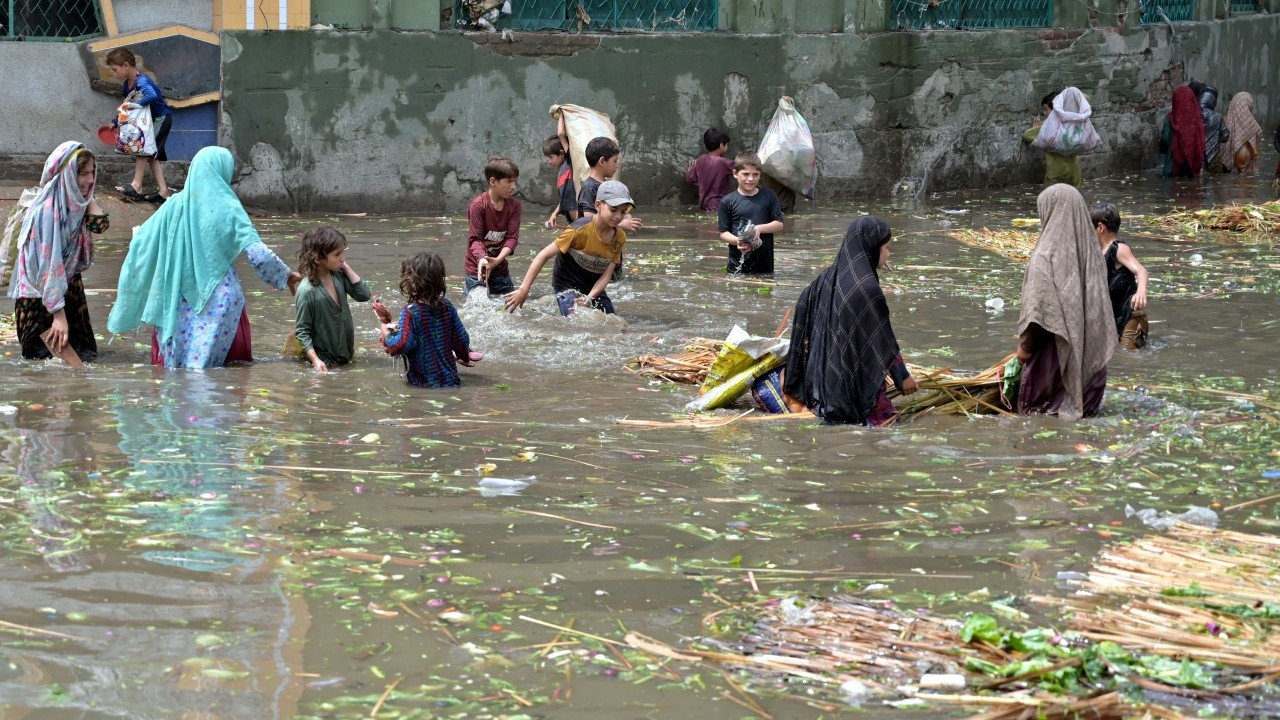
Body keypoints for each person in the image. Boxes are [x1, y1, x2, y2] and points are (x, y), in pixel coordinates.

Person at [108, 146, 302, 369]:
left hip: (174, 301)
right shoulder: (228, 207)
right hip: (219, 302)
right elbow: (258, 254)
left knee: (176, 379)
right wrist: (285, 276)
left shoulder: (173, 205)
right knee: (222, 379)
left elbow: (140, 241)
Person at [781, 216, 918, 425]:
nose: (888, 254)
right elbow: (881, 339)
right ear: (871, 248)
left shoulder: (827, 278)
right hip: (852, 387)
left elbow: (803, 306)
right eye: (887, 248)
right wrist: (902, 377)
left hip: (824, 386)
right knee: (887, 428)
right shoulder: (867, 288)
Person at [1008, 184, 1114, 420]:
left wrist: (1024, 349)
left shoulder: (1045, 258)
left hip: (1052, 376)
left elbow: (1038, 313)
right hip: (1090, 380)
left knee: (1038, 428)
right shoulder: (1093, 256)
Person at [7, 141, 108, 364]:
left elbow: (100, 226)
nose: (90, 180)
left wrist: (88, 199)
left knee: (85, 356)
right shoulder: (46, 211)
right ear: (67, 175)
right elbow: (47, 265)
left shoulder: (75, 204)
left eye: (92, 173)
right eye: (82, 174)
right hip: (39, 297)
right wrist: (58, 315)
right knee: (38, 363)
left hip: (68, 287)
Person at [505, 180, 633, 316]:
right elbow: (543, 255)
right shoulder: (577, 230)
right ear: (598, 205)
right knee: (574, 321)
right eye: (613, 210)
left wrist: (589, 298)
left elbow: (607, 275)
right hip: (567, 284)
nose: (618, 216)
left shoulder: (620, 237)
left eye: (623, 212)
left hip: (593, 285)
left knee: (613, 323)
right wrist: (524, 289)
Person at [379, 252, 473, 388]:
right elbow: (462, 339)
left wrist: (386, 331)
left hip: (422, 384)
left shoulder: (411, 311)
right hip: (451, 381)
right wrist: (464, 356)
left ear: (409, 282)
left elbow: (400, 345)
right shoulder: (447, 307)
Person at [294, 225, 371, 372]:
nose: (342, 258)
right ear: (318, 258)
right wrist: (315, 360)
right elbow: (302, 331)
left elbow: (364, 295)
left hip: (346, 355)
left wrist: (345, 267)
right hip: (325, 361)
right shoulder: (307, 291)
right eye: (337, 255)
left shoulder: (338, 276)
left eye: (343, 253)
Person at [101, 47, 173, 203]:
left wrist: (135, 105)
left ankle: (136, 186)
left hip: (160, 119)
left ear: (126, 65)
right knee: (150, 156)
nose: (115, 74)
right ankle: (164, 192)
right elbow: (127, 105)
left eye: (115, 70)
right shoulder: (127, 85)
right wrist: (115, 122)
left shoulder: (142, 81)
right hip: (148, 123)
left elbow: (152, 95)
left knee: (142, 149)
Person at [1091, 203, 1149, 351]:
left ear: (1100, 228)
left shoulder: (1119, 249)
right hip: (1116, 317)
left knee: (1129, 359)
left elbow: (1141, 271)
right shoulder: (1100, 252)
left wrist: (1141, 292)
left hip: (1131, 316)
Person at [717, 153, 785, 274]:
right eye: (745, 174)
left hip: (765, 265)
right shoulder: (727, 201)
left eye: (755, 175)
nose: (750, 179)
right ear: (735, 173)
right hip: (736, 266)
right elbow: (723, 233)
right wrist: (737, 241)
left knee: (765, 291)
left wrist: (758, 228)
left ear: (760, 175)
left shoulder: (769, 195)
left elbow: (779, 224)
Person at [464, 155, 521, 297]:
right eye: (509, 181)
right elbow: (475, 239)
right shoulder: (478, 205)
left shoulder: (514, 206)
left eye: (514, 181)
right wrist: (483, 258)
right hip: (477, 269)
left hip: (500, 269)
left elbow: (512, 238)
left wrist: (497, 261)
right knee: (480, 308)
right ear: (493, 181)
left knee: (511, 307)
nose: (513, 186)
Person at [1022, 91, 1082, 187]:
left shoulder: (1047, 127)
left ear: (1055, 110)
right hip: (1074, 173)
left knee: (1052, 199)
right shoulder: (1071, 122)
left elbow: (1027, 135)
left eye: (1046, 109)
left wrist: (1035, 127)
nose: (1044, 112)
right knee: (1073, 199)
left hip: (1057, 174)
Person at [1159, 86, 1205, 178]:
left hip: (1171, 169)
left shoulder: (1169, 119)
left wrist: (1160, 144)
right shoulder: (1196, 119)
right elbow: (1200, 142)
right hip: (1191, 169)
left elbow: (1165, 139)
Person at [686, 128, 734, 213]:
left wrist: (690, 171)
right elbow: (742, 168)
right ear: (721, 145)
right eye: (726, 144)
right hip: (718, 204)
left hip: (703, 204)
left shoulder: (701, 159)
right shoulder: (723, 162)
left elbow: (690, 179)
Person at [542, 114, 577, 229]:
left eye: (551, 157)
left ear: (562, 153)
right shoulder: (562, 171)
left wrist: (562, 114)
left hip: (578, 216)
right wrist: (554, 214)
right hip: (573, 219)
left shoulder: (570, 163)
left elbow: (561, 134)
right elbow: (564, 199)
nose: (549, 161)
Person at [1187, 82, 1229, 173]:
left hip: (1196, 158)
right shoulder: (1217, 116)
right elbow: (1226, 136)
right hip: (1213, 160)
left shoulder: (1193, 114)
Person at [1221, 91, 1261, 174]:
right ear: (1249, 105)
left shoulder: (1225, 120)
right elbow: (1256, 153)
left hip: (1227, 169)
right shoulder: (1253, 126)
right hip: (1247, 174)